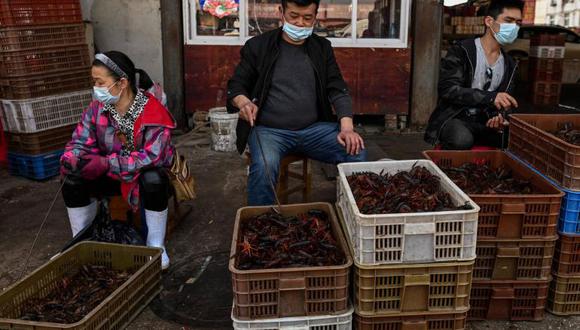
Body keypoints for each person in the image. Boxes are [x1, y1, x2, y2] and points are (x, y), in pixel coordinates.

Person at [227, 0, 367, 206]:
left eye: (307, 17)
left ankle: (354, 214)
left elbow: (338, 88)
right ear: (281, 12)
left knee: (356, 150)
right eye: (294, 16)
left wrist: (347, 128)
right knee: (265, 168)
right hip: (269, 131)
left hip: (313, 130)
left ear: (315, 16)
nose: (300, 23)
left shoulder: (321, 48)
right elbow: (237, 85)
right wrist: (244, 103)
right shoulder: (259, 46)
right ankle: (260, 223)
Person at [60, 51, 176, 269]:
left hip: (140, 176)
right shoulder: (97, 110)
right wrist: (73, 158)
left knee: (155, 179)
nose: (96, 88)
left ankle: (156, 246)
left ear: (122, 83)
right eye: (94, 82)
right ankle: (82, 242)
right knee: (72, 178)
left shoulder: (152, 111)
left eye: (100, 82)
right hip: (110, 173)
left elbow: (153, 156)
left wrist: (106, 163)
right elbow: (79, 142)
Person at [424, 0, 523, 150]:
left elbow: (505, 102)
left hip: (484, 122)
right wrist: (490, 97)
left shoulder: (510, 64)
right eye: (508, 21)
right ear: (489, 21)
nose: (514, 27)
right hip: (455, 118)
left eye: (518, 23)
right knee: (461, 139)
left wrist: (500, 117)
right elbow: (448, 90)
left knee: (518, 140)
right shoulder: (462, 51)